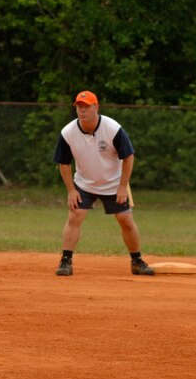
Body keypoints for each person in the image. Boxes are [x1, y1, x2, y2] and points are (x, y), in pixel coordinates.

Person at [52, 90, 154, 277]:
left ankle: (137, 261)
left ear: (96, 107)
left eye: (86, 106)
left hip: (114, 184)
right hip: (84, 184)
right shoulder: (68, 133)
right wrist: (71, 190)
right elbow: (63, 163)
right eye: (79, 107)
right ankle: (66, 261)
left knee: (126, 221)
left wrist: (123, 186)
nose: (82, 110)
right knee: (75, 216)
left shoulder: (112, 129)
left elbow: (129, 156)